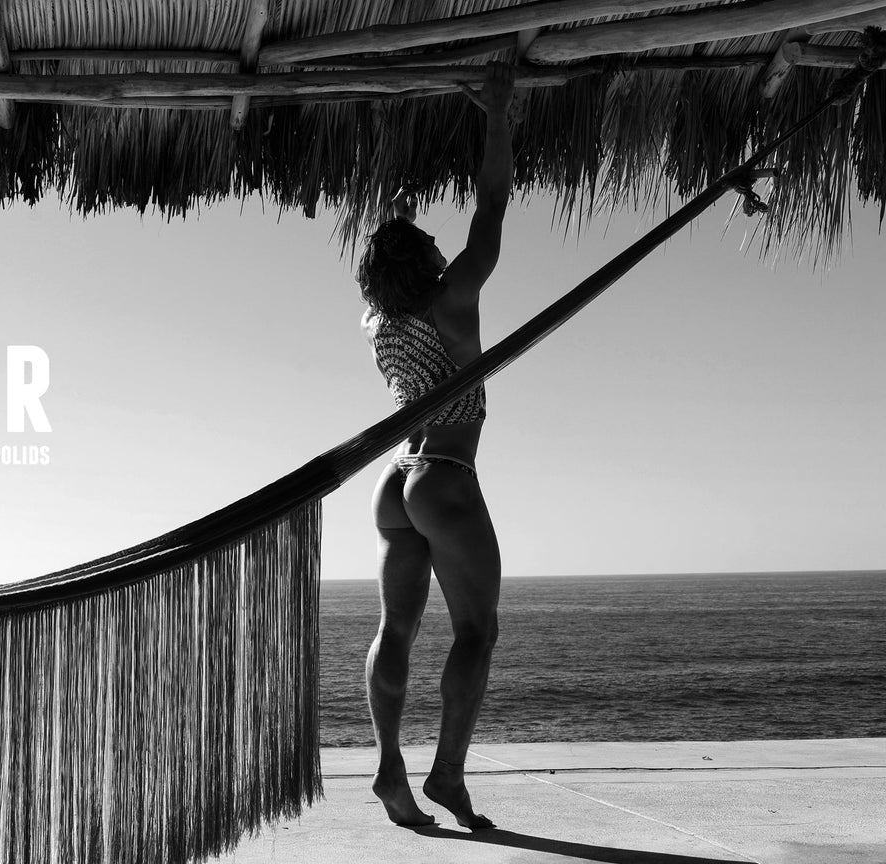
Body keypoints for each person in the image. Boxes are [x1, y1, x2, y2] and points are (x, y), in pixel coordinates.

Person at [356, 62, 515, 829]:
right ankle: (446, 776)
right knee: (476, 631)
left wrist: (399, 214)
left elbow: (393, 255)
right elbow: (492, 202)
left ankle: (389, 766)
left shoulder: (378, 322)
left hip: (394, 482)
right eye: (430, 245)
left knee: (397, 629)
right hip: (446, 475)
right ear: (428, 263)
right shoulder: (455, 301)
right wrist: (498, 114)